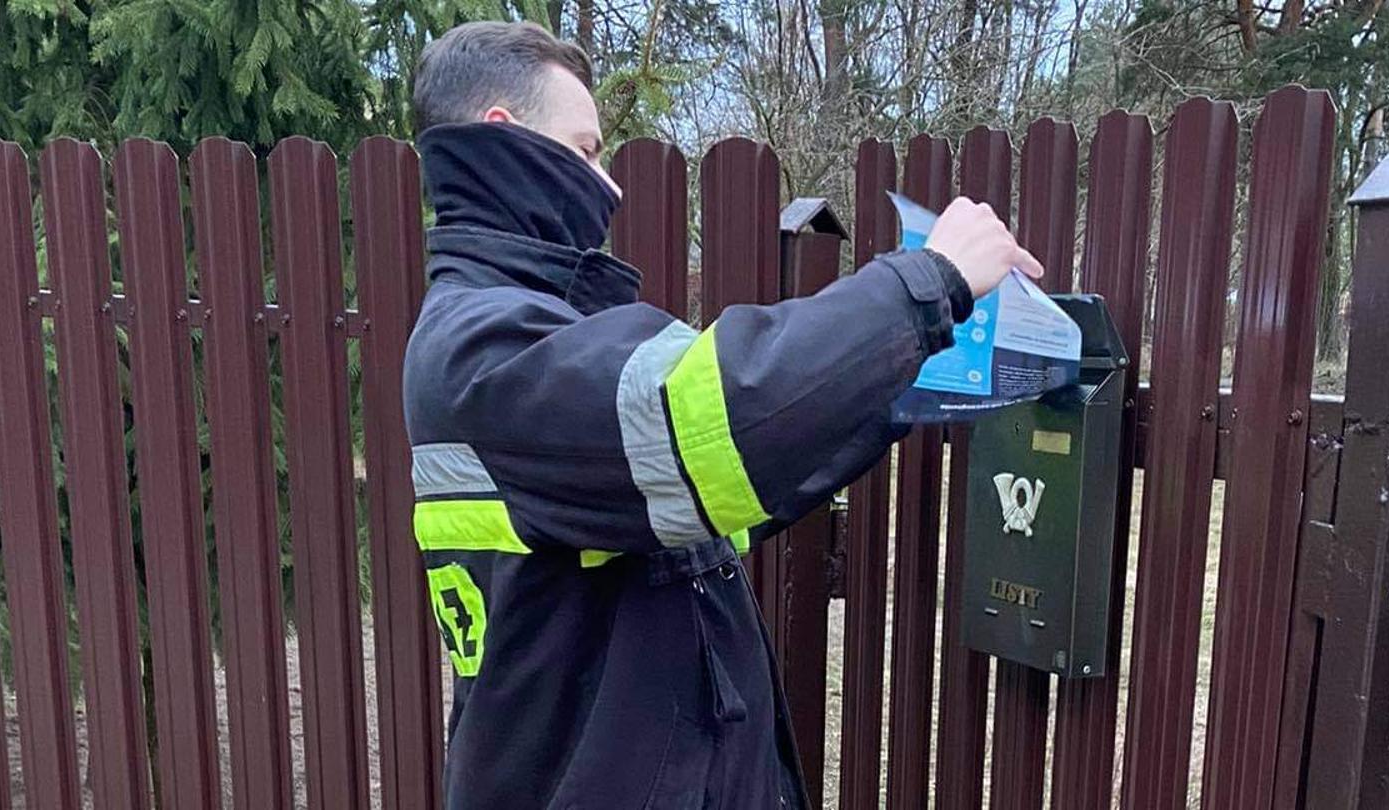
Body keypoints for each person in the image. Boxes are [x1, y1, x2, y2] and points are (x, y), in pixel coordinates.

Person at [402, 20, 1043, 809]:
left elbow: (712, 507)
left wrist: (891, 385)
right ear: (504, 136)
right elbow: (710, 422)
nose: (609, 185)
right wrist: (928, 282)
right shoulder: (486, 347)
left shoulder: (534, 336)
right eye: (588, 148)